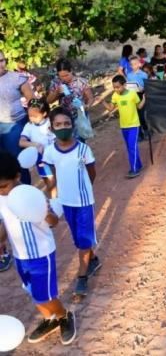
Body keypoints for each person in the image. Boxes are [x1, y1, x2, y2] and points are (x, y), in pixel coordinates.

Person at [0, 151, 77, 345]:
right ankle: (49, 319)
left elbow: (53, 222)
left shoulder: (33, 195)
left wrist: (42, 212)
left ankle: (64, 316)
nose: (1, 191)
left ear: (17, 177)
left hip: (41, 255)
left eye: (3, 186)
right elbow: (4, 224)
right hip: (20, 256)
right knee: (32, 291)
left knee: (45, 294)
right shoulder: (0, 199)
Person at [42, 107, 100, 296]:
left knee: (83, 239)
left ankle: (82, 277)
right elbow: (52, 176)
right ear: (52, 128)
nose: (63, 127)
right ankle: (93, 259)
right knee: (78, 238)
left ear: (72, 125)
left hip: (83, 202)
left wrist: (84, 190)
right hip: (66, 201)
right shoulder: (50, 152)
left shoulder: (83, 149)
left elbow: (92, 172)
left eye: (67, 123)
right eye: (58, 124)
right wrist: (55, 197)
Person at [0, 50, 34, 188]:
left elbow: (32, 101)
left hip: (14, 126)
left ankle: (24, 192)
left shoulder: (17, 77)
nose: (0, 64)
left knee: (18, 162)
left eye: (1, 60)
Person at [102, 75, 144, 178]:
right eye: (114, 87)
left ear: (124, 85)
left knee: (131, 147)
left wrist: (144, 98)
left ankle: (134, 169)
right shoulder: (115, 96)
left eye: (118, 87)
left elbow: (139, 106)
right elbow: (111, 108)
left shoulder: (132, 94)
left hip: (134, 125)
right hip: (124, 126)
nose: (116, 89)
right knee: (130, 147)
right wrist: (102, 101)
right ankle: (139, 165)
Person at [46, 58, 94, 141]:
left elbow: (90, 98)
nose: (64, 78)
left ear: (71, 71)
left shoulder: (81, 82)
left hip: (79, 117)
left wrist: (87, 106)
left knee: (80, 141)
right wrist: (56, 92)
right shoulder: (56, 83)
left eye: (66, 75)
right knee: (66, 141)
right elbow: (49, 101)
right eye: (61, 76)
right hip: (64, 119)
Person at [19, 99, 56, 197]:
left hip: (55, 156)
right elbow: (21, 142)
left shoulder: (51, 122)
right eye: (30, 116)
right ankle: (53, 201)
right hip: (41, 160)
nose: (32, 118)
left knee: (55, 181)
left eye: (35, 116)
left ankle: (56, 199)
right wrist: (36, 145)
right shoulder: (29, 126)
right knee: (49, 182)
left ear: (44, 113)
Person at [126, 55, 149, 140]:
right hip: (132, 96)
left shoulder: (143, 74)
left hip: (141, 95)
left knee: (142, 115)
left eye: (135, 64)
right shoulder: (129, 75)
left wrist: (142, 89)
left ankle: (146, 130)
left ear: (139, 64)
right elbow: (128, 85)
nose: (134, 66)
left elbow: (146, 86)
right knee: (135, 116)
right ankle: (139, 134)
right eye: (132, 64)